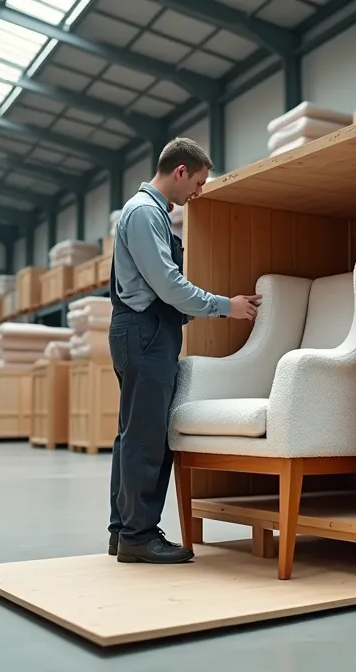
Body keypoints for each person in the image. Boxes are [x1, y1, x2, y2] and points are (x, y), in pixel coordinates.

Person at [106, 137, 261, 564]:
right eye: (197, 182)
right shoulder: (143, 214)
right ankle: (138, 534)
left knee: (134, 435)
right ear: (179, 172)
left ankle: (125, 531)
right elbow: (168, 285)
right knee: (147, 437)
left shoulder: (151, 213)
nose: (198, 192)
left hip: (147, 331)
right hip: (144, 332)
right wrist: (225, 307)